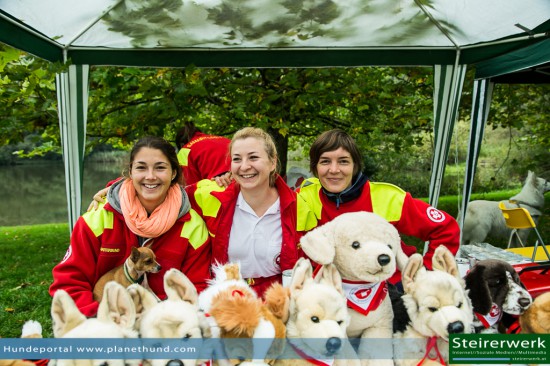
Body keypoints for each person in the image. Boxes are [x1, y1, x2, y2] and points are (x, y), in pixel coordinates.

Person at [51, 136, 211, 317]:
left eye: (160, 167)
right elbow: (69, 284)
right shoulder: (97, 219)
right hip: (106, 321)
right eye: (141, 167)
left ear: (174, 173)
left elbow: (199, 288)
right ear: (130, 171)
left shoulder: (193, 225)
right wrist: (101, 320)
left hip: (166, 324)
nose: (150, 176)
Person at [296, 129, 460, 282]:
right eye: (325, 161)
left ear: (355, 166)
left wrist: (426, 274)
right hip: (330, 292)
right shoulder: (304, 198)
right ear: (315, 168)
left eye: (343, 161)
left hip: (388, 290)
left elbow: (446, 229)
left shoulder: (387, 198)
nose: (334, 169)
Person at [185, 127, 305, 297]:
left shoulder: (298, 205)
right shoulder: (211, 196)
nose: (244, 166)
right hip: (228, 296)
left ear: (272, 162)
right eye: (237, 159)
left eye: (253, 157)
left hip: (278, 299)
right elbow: (171, 195)